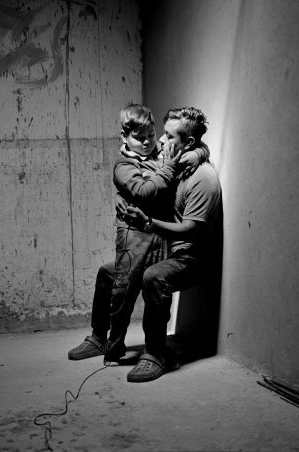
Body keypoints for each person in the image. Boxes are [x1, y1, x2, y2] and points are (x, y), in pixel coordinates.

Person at [68, 104, 209, 363]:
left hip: (159, 238)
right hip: (136, 235)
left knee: (133, 281)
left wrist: (200, 152)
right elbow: (144, 191)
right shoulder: (124, 164)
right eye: (138, 137)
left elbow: (191, 145)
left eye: (151, 136)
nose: (147, 142)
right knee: (115, 281)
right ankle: (102, 339)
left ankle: (139, 349)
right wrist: (169, 167)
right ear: (124, 137)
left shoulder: (160, 153)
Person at [120, 107, 222, 383]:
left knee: (154, 276)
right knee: (117, 269)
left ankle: (156, 354)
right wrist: (201, 150)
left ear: (188, 142)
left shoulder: (204, 179)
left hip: (194, 256)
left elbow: (190, 231)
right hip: (170, 246)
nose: (161, 142)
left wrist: (149, 224)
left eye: (168, 135)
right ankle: (103, 341)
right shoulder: (178, 160)